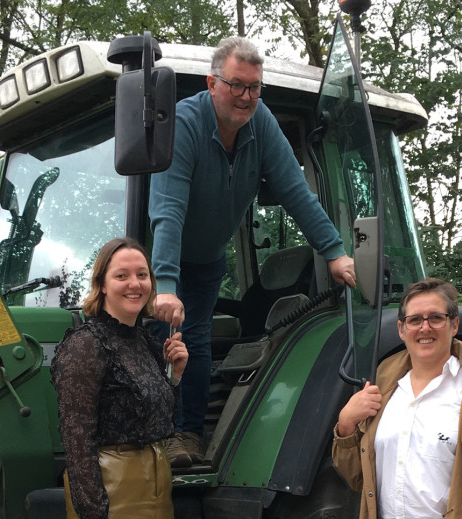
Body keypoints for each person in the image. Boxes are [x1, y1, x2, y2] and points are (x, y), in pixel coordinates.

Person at [148, 36, 356, 467]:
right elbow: (168, 208)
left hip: (205, 260)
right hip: (162, 260)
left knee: (197, 340)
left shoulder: (261, 125)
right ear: (212, 83)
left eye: (254, 87)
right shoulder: (185, 124)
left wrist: (335, 253)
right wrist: (164, 284)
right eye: (236, 85)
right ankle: (154, 436)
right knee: (162, 338)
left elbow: (297, 192)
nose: (246, 96)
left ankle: (187, 435)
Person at [332, 277, 462, 518]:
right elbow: (361, 480)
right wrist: (347, 424)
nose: (425, 328)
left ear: (454, 324)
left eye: (436, 317)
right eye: (414, 320)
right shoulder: (382, 389)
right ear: (402, 329)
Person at [51, 237, 188, 519]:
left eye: (142, 275)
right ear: (102, 284)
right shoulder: (86, 345)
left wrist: (174, 377)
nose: (135, 284)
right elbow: (77, 441)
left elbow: (157, 421)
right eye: (121, 276)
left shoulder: (146, 343)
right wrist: (93, 511)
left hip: (157, 486)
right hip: (113, 490)